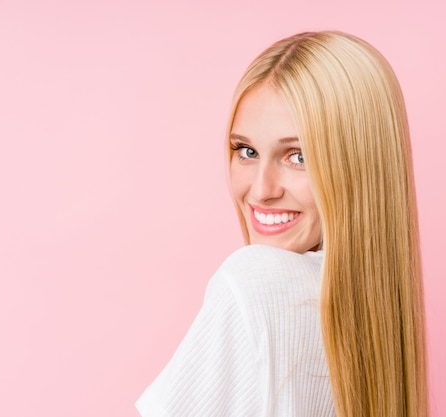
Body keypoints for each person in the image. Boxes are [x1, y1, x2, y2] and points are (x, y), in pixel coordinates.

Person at [136, 31, 428, 417]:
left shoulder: (253, 282)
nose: (261, 190)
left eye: (298, 156)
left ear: (361, 168)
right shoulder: (380, 321)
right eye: (247, 151)